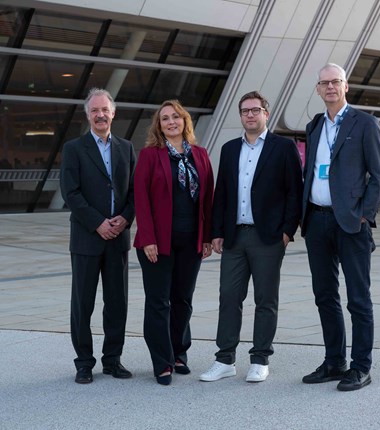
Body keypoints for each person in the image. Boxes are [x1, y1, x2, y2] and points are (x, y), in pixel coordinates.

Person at [199, 90, 303, 383]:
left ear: (265, 114)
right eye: (245, 111)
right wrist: (216, 231)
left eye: (255, 110)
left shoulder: (283, 148)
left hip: (268, 237)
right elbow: (222, 194)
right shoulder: (230, 149)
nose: (250, 115)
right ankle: (225, 359)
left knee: (265, 299)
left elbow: (295, 191)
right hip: (234, 236)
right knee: (229, 297)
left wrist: (286, 232)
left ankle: (260, 358)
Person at [300, 63, 380, 391]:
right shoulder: (314, 125)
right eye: (324, 83)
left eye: (336, 81)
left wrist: (365, 213)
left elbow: (379, 174)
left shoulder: (364, 123)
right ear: (318, 89)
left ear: (345, 86)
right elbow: (311, 171)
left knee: (358, 298)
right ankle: (334, 361)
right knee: (324, 295)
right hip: (316, 219)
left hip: (350, 222)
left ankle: (361, 367)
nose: (331, 87)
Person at [134, 100, 214, 385]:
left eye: (175, 117)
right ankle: (162, 361)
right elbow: (140, 200)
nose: (171, 122)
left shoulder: (201, 156)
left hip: (191, 242)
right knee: (159, 302)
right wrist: (148, 239)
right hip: (157, 243)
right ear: (159, 125)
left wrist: (206, 238)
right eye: (165, 118)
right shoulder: (149, 156)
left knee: (183, 300)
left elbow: (208, 200)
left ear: (184, 121)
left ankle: (180, 352)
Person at [60, 88, 136, 384]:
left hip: (118, 239)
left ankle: (112, 360)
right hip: (86, 239)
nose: (100, 115)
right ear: (88, 115)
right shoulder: (74, 149)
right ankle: (84, 362)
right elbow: (71, 193)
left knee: (117, 302)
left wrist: (125, 218)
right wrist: (98, 223)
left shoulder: (126, 147)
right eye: (95, 111)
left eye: (105, 110)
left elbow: (133, 193)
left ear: (113, 113)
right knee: (83, 304)